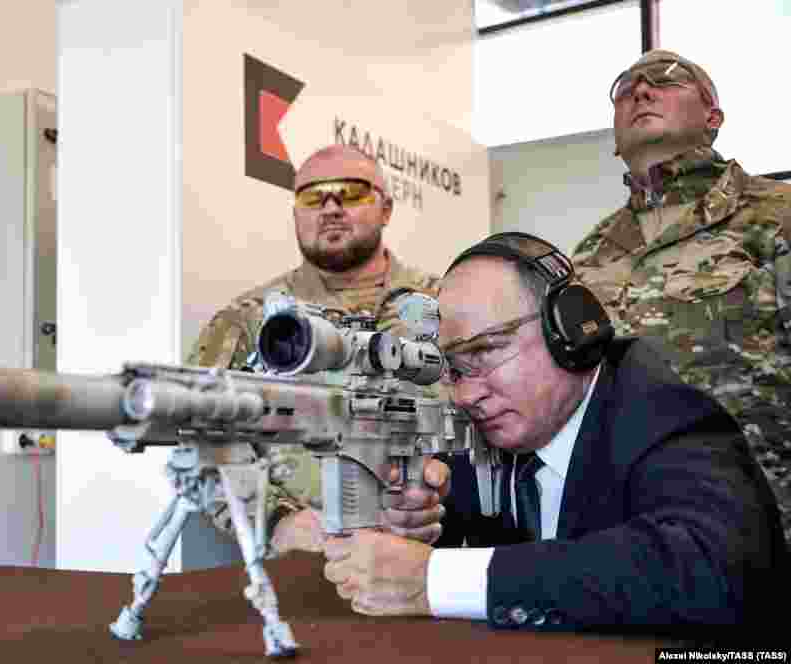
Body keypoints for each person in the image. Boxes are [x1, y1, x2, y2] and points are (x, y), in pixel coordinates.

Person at [322, 232, 786, 637]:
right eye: (454, 369)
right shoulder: (493, 430)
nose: (465, 394)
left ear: (570, 328)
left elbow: (715, 567)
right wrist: (414, 534)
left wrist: (433, 579)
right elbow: (442, 549)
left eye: (485, 351)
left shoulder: (665, 416)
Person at [570, 49, 791, 540]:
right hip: (625, 542)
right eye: (625, 88)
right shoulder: (584, 257)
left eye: (666, 79)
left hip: (765, 534)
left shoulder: (777, 215)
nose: (641, 91)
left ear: (713, 118)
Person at [187, 144, 446, 555]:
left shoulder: (444, 304)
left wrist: (447, 490)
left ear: (387, 209)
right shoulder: (253, 322)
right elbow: (195, 434)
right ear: (296, 215)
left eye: (351, 192)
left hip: (436, 565)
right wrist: (276, 520)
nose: (330, 208)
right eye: (313, 196)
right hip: (305, 568)